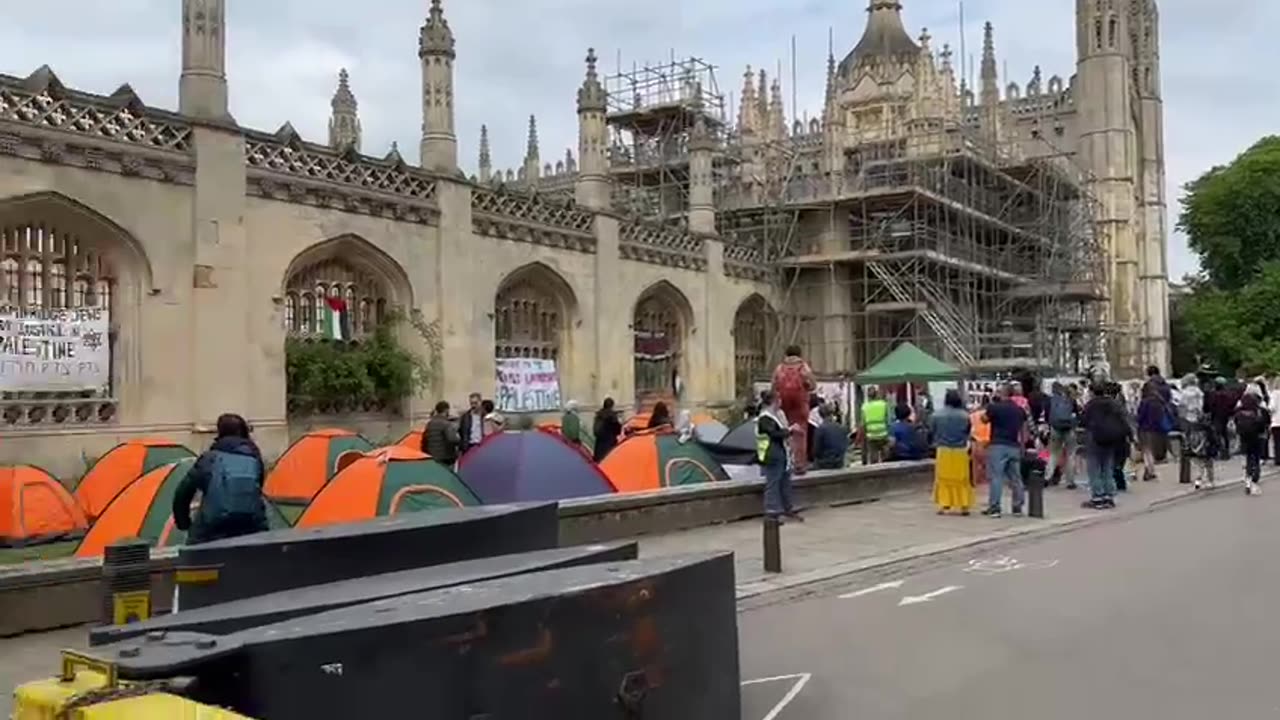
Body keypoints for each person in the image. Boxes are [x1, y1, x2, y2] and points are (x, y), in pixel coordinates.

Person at [172, 413, 267, 545]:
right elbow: (258, 490)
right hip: (250, 526)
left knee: (194, 554)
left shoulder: (209, 459)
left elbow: (183, 492)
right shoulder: (254, 459)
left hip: (212, 527)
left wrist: (183, 523)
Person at [756, 390, 802, 523]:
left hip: (781, 452)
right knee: (773, 483)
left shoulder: (774, 416)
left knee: (785, 481)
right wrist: (790, 430)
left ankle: (787, 508)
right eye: (779, 399)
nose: (781, 402)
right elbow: (774, 434)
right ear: (774, 401)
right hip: (771, 453)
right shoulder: (765, 417)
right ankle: (772, 512)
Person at [982, 383, 1027, 517]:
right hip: (1014, 445)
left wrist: (990, 404)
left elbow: (983, 419)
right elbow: (1023, 430)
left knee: (996, 477)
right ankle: (1017, 507)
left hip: (998, 445)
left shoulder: (994, 408)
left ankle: (995, 507)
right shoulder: (1019, 410)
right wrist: (1022, 446)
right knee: (1016, 478)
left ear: (1002, 393)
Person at [1081, 382, 1128, 509]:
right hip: (1111, 438)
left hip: (1095, 438)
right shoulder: (1113, 403)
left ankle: (1097, 496)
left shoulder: (1091, 405)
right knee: (1107, 467)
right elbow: (1123, 419)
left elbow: (1083, 421)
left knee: (1094, 468)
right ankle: (1109, 495)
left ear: (1092, 392)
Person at [771, 346, 816, 474]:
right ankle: (800, 464)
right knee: (801, 433)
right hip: (800, 404)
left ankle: (787, 461)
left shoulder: (780, 368)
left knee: (785, 431)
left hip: (784, 405)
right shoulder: (803, 367)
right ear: (800, 354)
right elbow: (812, 385)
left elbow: (773, 387)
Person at [929, 389, 973, 515]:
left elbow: (932, 431)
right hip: (960, 451)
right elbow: (967, 431)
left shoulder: (936, 415)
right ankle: (964, 505)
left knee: (943, 478)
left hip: (943, 450)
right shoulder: (965, 416)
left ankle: (944, 504)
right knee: (962, 479)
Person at [1179, 374, 1215, 489]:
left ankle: (1198, 477)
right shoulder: (1200, 393)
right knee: (1205, 452)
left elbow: (1181, 409)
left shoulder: (1184, 394)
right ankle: (1209, 478)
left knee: (1193, 453)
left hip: (1190, 424)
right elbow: (1203, 408)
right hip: (1202, 424)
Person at [1045, 382, 1080, 489]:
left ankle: (1047, 477)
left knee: (1053, 454)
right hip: (1069, 429)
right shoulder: (1071, 401)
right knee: (1070, 454)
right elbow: (1077, 415)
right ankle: (1070, 481)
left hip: (1055, 428)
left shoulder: (1051, 400)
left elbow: (1047, 415)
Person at [1234, 393, 1269, 496]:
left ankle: (1248, 477)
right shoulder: (1260, 410)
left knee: (1249, 457)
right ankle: (1256, 474)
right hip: (1258, 436)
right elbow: (1266, 422)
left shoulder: (1239, 411)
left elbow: (1236, 422)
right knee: (1257, 456)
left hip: (1245, 438)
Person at [1136, 384, 1167, 482]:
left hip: (1145, 428)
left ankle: (1149, 470)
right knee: (1151, 451)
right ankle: (1151, 470)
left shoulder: (1145, 402)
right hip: (1156, 429)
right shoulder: (1159, 401)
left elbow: (1140, 416)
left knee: (1146, 450)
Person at [812, 405, 851, 470]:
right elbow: (845, 445)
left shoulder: (820, 429)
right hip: (839, 462)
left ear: (820, 415)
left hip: (824, 463)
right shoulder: (841, 428)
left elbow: (816, 451)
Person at [422, 401, 460, 466]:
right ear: (446, 410)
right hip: (445, 457)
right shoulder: (446, 424)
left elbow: (425, 439)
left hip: (432, 456)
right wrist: (459, 439)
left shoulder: (430, 424)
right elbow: (452, 439)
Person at [860, 386, 891, 464]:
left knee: (874, 459)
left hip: (871, 436)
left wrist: (862, 437)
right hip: (884, 435)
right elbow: (888, 420)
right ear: (877, 394)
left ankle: (876, 473)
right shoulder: (883, 404)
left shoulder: (864, 407)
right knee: (886, 459)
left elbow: (863, 424)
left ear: (868, 396)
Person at [969, 399, 991, 487]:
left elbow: (969, 428)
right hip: (988, 440)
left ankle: (975, 481)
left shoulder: (972, 415)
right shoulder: (990, 415)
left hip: (975, 440)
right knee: (986, 463)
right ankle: (985, 480)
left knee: (975, 463)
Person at [593, 397, 622, 462]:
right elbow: (618, 429)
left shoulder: (599, 415)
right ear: (612, 405)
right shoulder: (612, 415)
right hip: (609, 444)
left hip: (599, 445)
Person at [457, 392, 485, 457]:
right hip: (469, 446)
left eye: (475, 403)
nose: (473, 406)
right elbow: (461, 432)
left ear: (480, 402)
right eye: (471, 403)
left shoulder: (485, 416)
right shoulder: (465, 416)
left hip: (481, 445)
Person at [1269, 377, 1280, 466]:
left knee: (1277, 442)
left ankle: (1278, 459)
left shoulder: (1274, 394)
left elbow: (1272, 407)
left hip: (1276, 421)